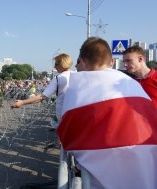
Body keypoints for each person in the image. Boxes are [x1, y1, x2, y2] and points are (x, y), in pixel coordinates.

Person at [58, 37, 157, 188]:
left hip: (104, 177)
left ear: (83, 61)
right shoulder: (131, 84)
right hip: (145, 167)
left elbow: (66, 135)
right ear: (111, 61)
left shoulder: (79, 85)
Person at [11, 53, 73, 123]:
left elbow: (41, 97)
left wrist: (22, 102)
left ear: (62, 64)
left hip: (64, 116)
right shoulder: (76, 75)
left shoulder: (58, 78)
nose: (54, 67)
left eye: (56, 64)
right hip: (76, 114)